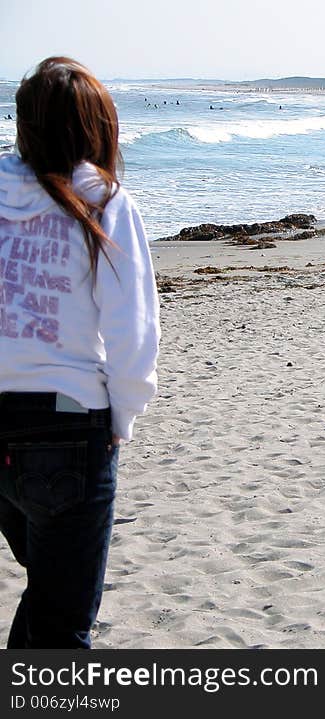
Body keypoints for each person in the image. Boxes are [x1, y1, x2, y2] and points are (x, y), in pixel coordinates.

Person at [0, 57, 160, 648]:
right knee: (63, 622)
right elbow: (133, 328)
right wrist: (124, 417)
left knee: (48, 593)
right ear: (99, 126)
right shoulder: (104, 199)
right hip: (68, 426)